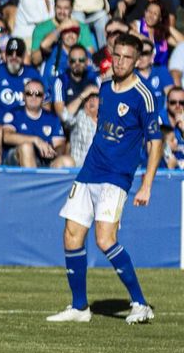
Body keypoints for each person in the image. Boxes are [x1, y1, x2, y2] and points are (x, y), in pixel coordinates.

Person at [48, 34, 162, 324]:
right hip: (89, 171)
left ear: (137, 61)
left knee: (104, 239)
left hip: (116, 177)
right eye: (117, 55)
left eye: (126, 57)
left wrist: (146, 185)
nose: (120, 61)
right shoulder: (105, 88)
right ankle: (79, 307)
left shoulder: (144, 95)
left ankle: (140, 303)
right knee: (72, 234)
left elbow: (155, 143)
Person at [1, 79, 73, 168]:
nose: (33, 97)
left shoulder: (52, 118)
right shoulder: (14, 114)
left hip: (44, 160)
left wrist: (52, 152)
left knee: (67, 161)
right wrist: (36, 140)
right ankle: (31, 181)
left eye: (38, 94)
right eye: (29, 93)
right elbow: (6, 137)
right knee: (26, 147)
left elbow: (59, 144)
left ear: (43, 97)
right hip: (16, 160)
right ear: (23, 96)